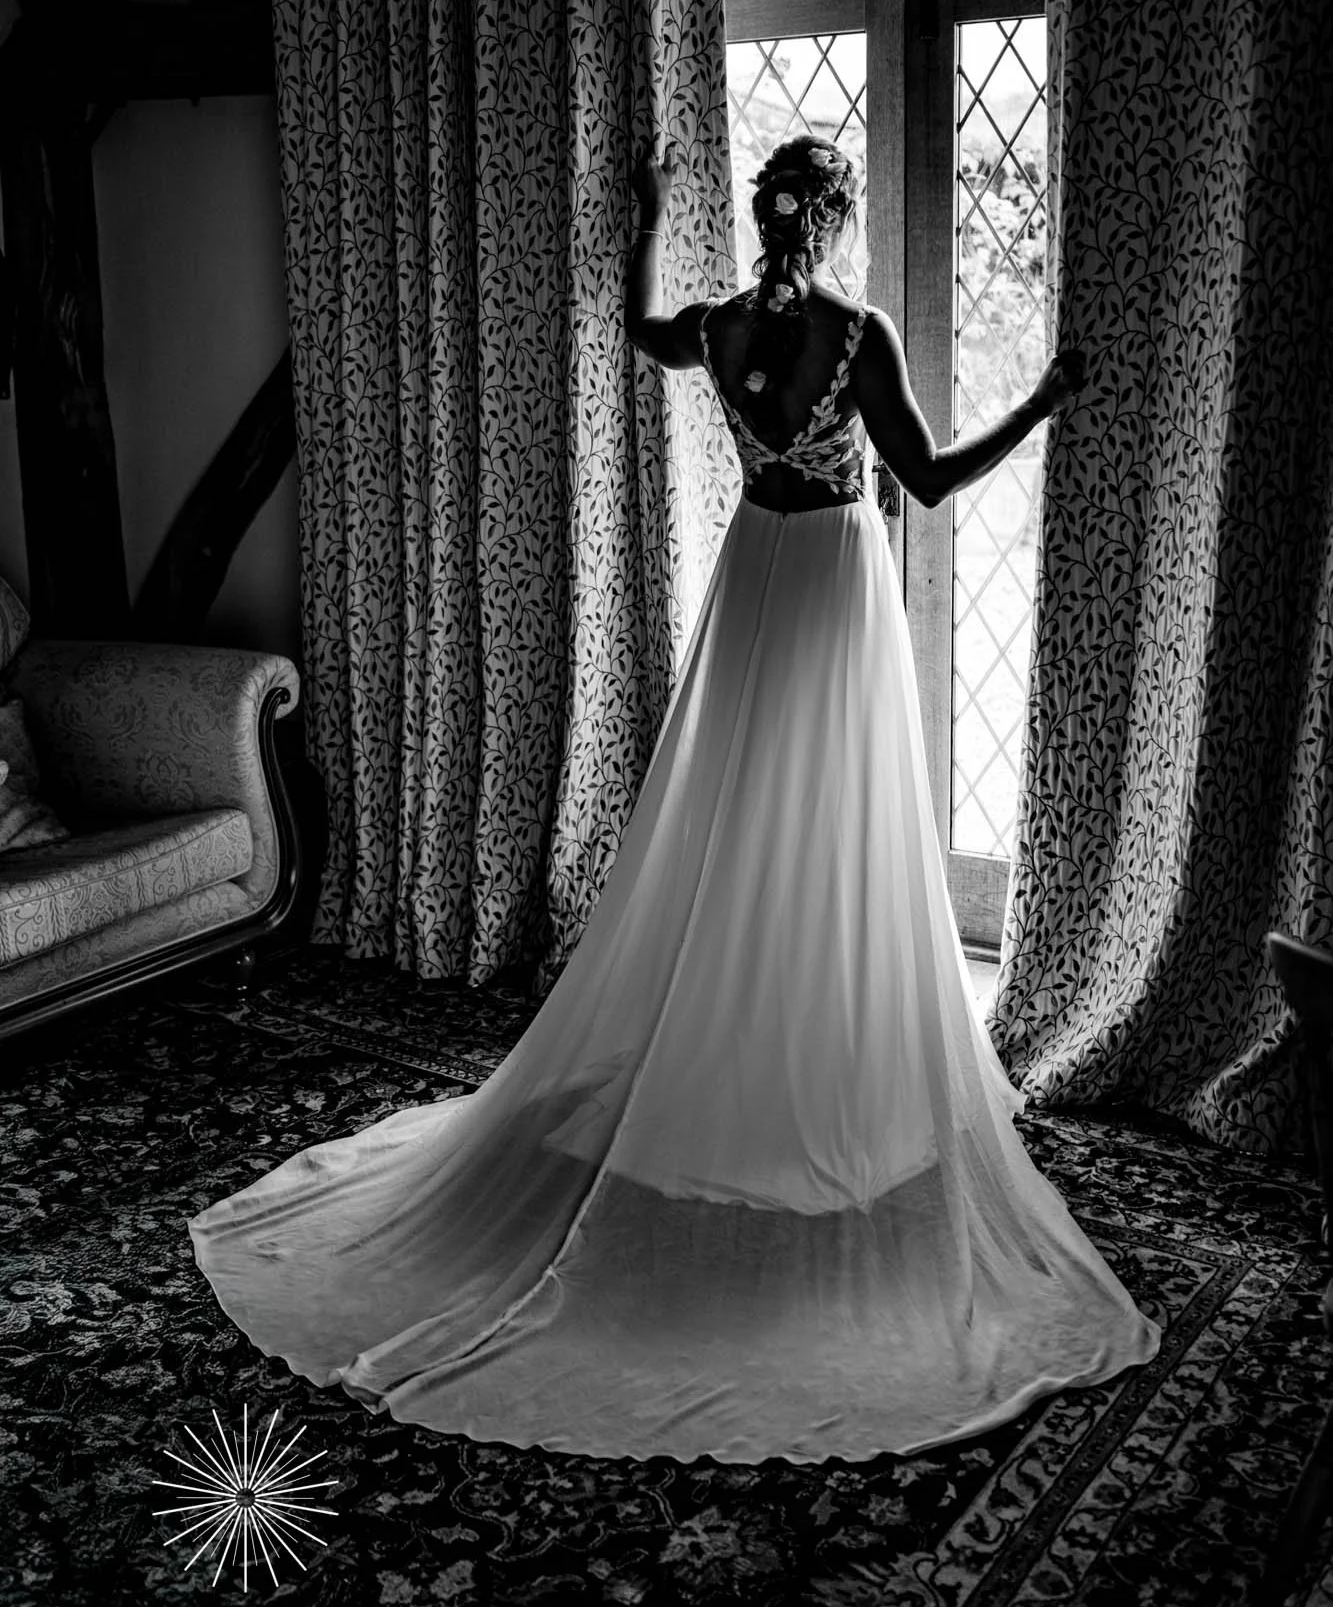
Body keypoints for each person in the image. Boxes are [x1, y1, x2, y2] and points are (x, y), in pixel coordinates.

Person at [190, 134, 1160, 1465]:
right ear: (830, 221)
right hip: (828, 589)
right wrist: (1044, 398)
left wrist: (643, 216)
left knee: (739, 815)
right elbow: (924, 483)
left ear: (768, 220)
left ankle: (747, 1023)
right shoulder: (856, 328)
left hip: (754, 575)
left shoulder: (717, 326)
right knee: (832, 825)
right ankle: (813, 1053)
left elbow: (643, 326)